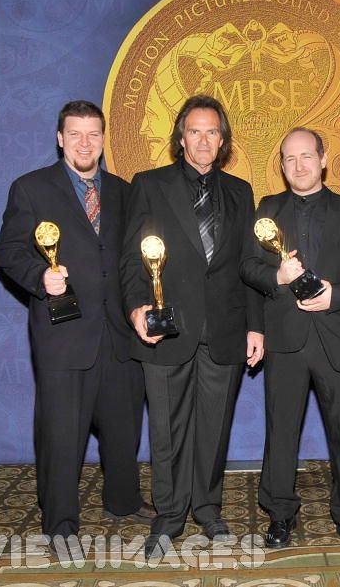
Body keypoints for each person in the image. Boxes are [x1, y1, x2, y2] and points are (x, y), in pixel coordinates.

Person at [0, 100, 154, 557]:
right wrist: (38, 278)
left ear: (103, 140)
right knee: (61, 432)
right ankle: (60, 519)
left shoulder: (124, 192)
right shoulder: (30, 188)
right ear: (60, 138)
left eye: (94, 135)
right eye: (76, 134)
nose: (86, 143)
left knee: (124, 428)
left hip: (120, 334)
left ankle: (122, 500)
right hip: (63, 335)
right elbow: (7, 251)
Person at [120, 95, 264, 558]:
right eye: (195, 131)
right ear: (180, 138)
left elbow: (250, 264)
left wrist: (256, 327)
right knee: (166, 429)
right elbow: (130, 260)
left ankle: (207, 507)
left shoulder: (241, 192)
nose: (204, 140)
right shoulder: (148, 184)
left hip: (224, 329)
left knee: (214, 426)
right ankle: (168, 515)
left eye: (212, 132)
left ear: (223, 141)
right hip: (166, 329)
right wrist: (138, 307)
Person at [241, 128, 340, 556]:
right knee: (281, 432)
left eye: (306, 156)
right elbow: (248, 268)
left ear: (323, 159)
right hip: (284, 340)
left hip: (336, 338)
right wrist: (276, 277)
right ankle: (280, 514)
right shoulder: (266, 211)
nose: (299, 165)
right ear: (281, 166)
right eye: (289, 158)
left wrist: (334, 295)